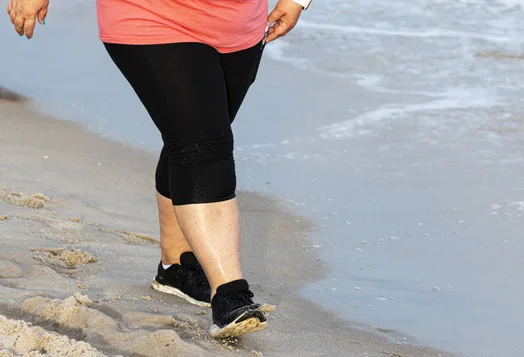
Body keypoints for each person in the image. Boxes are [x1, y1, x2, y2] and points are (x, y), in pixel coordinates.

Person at [7, 0, 311, 339]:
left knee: (192, 134)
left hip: (240, 24)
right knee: (203, 144)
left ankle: (176, 267)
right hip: (150, 13)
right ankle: (230, 293)